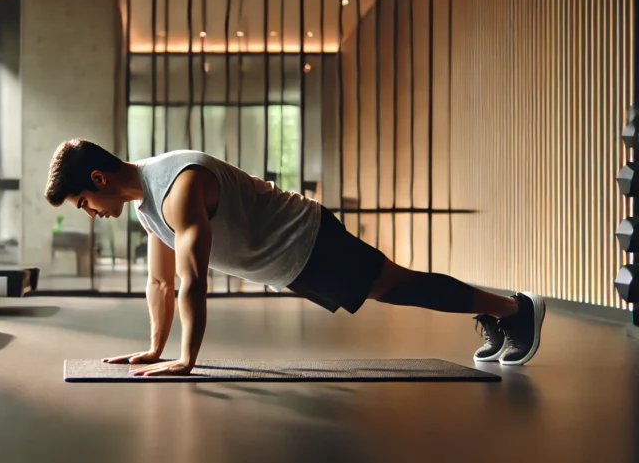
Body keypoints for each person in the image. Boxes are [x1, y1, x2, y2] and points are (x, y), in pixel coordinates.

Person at [45, 139, 545, 377]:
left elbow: (192, 277)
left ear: (98, 180)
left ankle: (514, 310)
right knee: (394, 288)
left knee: (398, 286)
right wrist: (155, 347)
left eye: (83, 204)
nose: (89, 213)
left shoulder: (177, 186)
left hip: (307, 240)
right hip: (287, 265)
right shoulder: (145, 208)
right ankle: (500, 310)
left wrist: (186, 358)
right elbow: (161, 284)